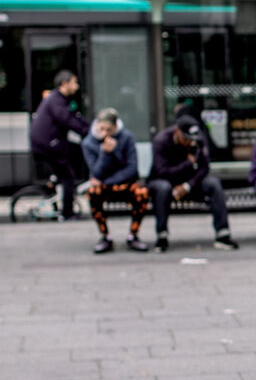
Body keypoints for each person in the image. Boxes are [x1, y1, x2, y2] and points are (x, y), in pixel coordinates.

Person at [150, 115, 238, 252]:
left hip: (190, 183)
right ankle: (162, 236)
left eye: (192, 139)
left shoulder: (197, 139)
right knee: (163, 188)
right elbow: (161, 171)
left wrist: (187, 186)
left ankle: (223, 234)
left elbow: (205, 168)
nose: (190, 142)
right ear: (177, 132)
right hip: (167, 182)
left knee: (214, 184)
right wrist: (187, 164)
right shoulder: (161, 141)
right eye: (186, 139)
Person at [81, 108, 150, 254]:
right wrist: (105, 152)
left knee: (142, 193)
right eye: (102, 129)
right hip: (104, 187)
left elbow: (131, 169)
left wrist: (106, 180)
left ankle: (133, 235)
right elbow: (96, 172)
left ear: (116, 127)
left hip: (123, 184)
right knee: (93, 193)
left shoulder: (126, 137)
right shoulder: (89, 143)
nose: (105, 133)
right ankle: (105, 236)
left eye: (109, 130)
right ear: (97, 126)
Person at [29, 70, 92, 220]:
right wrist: (87, 132)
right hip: (49, 145)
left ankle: (54, 186)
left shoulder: (57, 99)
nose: (77, 87)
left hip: (49, 143)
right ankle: (67, 213)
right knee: (68, 177)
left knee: (67, 163)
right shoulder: (57, 100)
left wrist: (88, 128)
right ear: (65, 84)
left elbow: (74, 118)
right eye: (74, 83)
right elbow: (67, 120)